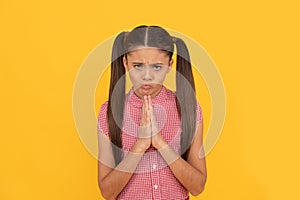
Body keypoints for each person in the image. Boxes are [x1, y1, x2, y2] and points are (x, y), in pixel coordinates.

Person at [97, 25, 207, 200]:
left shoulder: (189, 109)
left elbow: (197, 186)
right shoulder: (108, 113)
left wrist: (160, 143)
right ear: (125, 63)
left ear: (170, 65)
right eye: (138, 66)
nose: (147, 76)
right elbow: (107, 192)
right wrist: (140, 144)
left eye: (157, 67)